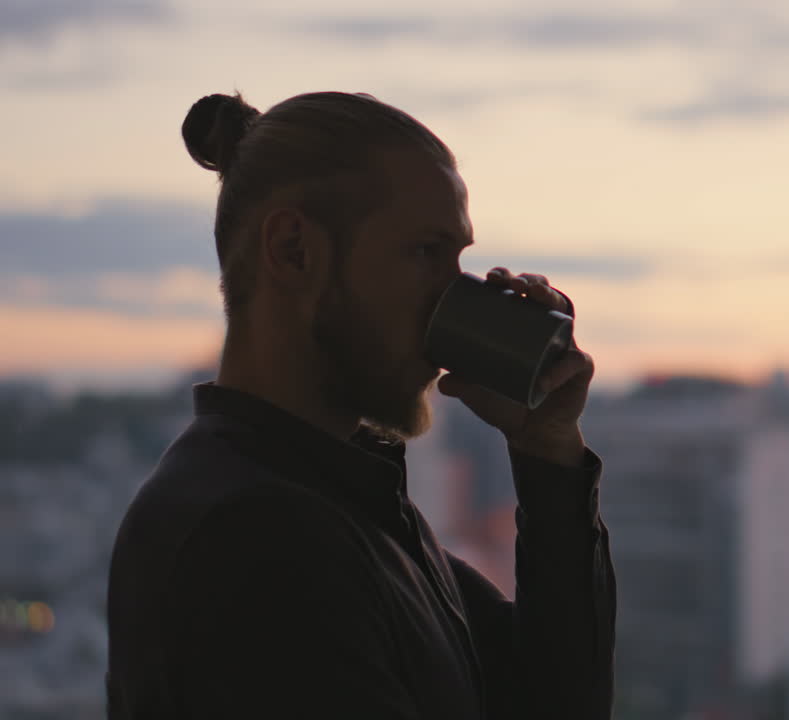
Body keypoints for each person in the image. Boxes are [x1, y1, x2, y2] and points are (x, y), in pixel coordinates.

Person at [105, 91, 616, 719]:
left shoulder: (347, 503)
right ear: (295, 250)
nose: (453, 301)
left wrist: (549, 455)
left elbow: (552, 702)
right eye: (427, 253)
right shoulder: (255, 536)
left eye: (459, 261)